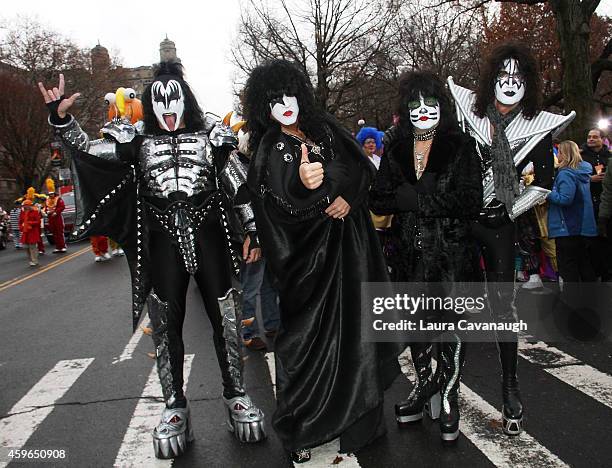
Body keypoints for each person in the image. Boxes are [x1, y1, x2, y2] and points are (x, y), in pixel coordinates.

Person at [39, 63, 266, 459]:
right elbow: (90, 151)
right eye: (158, 100)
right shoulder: (134, 140)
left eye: (173, 97)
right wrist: (62, 120)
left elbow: (236, 181)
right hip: (160, 238)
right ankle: (175, 404)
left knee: (226, 315)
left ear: (185, 97)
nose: (167, 108)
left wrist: (252, 230)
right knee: (166, 322)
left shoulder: (211, 134)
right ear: (149, 104)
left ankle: (236, 394)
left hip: (210, 232)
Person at [243, 59, 401, 463]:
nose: (285, 104)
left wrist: (345, 192)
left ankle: (360, 422)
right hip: (309, 267)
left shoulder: (325, 128)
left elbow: (362, 169)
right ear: (264, 105)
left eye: (289, 94)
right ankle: (306, 425)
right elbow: (276, 203)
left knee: (358, 336)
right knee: (305, 345)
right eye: (274, 99)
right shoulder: (269, 148)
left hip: (352, 254)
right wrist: (303, 183)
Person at [447, 41, 575, 435]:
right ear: (490, 80)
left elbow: (546, 184)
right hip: (463, 222)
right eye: (502, 77)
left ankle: (509, 385)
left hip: (501, 224)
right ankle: (448, 388)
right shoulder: (467, 113)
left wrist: (509, 209)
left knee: (504, 307)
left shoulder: (537, 128)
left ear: (528, 84)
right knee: (456, 304)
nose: (509, 84)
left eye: (517, 78)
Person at [370, 71, 482, 442]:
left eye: (428, 103)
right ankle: (423, 385)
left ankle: (448, 393)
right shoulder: (397, 148)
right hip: (409, 254)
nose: (421, 110)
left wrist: (421, 200)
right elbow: (378, 197)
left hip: (451, 254)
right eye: (413, 104)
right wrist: (399, 196)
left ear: (441, 107)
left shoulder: (461, 146)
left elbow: (471, 201)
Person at [547, 141, 598, 281]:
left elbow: (565, 199)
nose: (558, 155)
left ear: (565, 154)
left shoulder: (565, 174)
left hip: (567, 227)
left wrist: (546, 193)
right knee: (584, 264)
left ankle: (572, 300)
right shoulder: (582, 171)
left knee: (569, 267)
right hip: (583, 226)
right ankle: (592, 299)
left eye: (560, 152)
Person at [580, 128, 612, 280]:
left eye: (594, 137)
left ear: (602, 139)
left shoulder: (609, 157)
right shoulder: (581, 157)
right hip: (588, 202)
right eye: (589, 136)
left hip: (606, 200)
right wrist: (589, 179)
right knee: (591, 240)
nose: (591, 139)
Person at [44, 178, 67, 253]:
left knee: (59, 232)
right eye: (50, 194)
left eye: (52, 194)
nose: (51, 195)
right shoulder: (47, 200)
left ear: (54, 193)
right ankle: (57, 247)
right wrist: (46, 212)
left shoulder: (58, 199)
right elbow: (46, 208)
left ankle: (63, 246)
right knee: (54, 233)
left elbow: (62, 207)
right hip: (50, 218)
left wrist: (56, 212)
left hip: (57, 217)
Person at [19, 200, 42, 266]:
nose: (25, 206)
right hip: (25, 232)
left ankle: (35, 260)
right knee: (26, 247)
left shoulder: (34, 212)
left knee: (32, 246)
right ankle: (31, 260)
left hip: (32, 232)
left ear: (29, 205)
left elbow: (38, 222)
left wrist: (29, 223)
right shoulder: (22, 212)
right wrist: (21, 227)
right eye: (24, 205)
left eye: (27, 205)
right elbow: (20, 222)